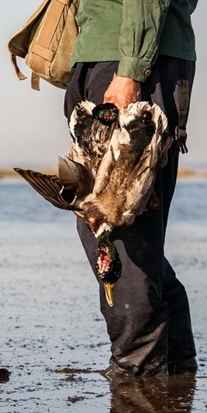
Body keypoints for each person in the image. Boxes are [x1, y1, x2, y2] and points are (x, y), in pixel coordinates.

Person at [63, 0, 198, 377]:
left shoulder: (131, 66)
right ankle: (175, 370)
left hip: (131, 62)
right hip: (114, 57)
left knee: (114, 225)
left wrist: (131, 69)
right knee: (120, 224)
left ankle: (139, 377)